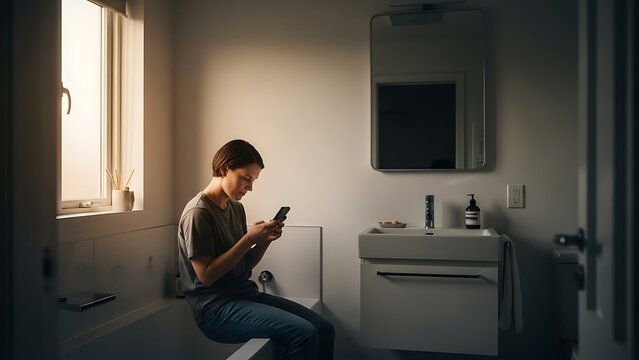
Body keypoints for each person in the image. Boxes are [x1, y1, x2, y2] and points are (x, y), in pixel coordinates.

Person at [177, 139, 335, 359]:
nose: (250, 187)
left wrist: (263, 240)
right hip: (215, 310)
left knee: (324, 328)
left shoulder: (236, 208)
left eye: (253, 181)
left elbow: (244, 266)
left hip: (243, 295)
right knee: (304, 334)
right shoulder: (198, 213)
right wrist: (249, 238)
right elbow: (206, 276)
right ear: (224, 169)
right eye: (246, 178)